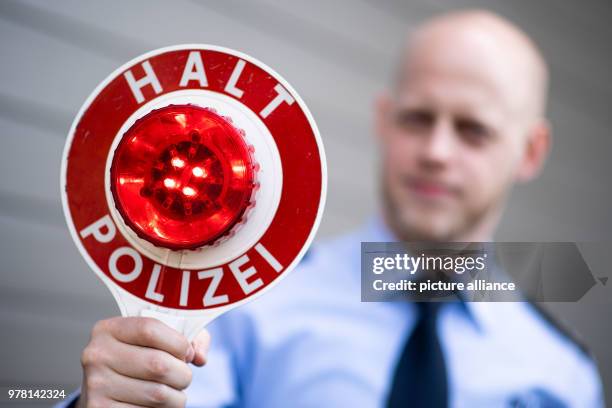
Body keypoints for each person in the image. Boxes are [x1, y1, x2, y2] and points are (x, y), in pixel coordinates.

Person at [61, 9, 603, 408]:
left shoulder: (563, 374)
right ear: (384, 120)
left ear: (530, 151)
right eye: (418, 118)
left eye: (473, 130)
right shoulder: (237, 304)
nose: (437, 153)